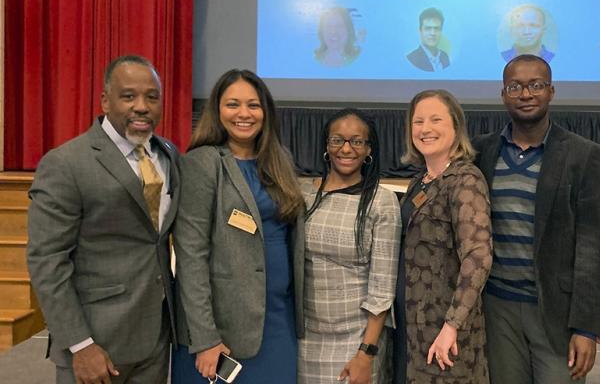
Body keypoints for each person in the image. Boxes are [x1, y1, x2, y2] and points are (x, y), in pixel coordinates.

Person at [27, 55, 179, 384]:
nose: (142, 106)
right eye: (128, 96)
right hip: (96, 345)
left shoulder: (168, 154)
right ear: (105, 100)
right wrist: (80, 345)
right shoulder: (66, 163)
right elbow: (46, 261)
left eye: (152, 97)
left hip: (156, 339)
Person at [473, 55, 600, 383]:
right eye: (515, 86)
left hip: (555, 311)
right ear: (503, 94)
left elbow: (594, 247)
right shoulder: (481, 151)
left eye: (535, 85)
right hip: (497, 308)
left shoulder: (583, 155)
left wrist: (586, 327)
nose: (525, 94)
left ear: (551, 91)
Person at [172, 69, 305, 383]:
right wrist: (204, 338)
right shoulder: (203, 163)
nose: (244, 114)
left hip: (277, 321)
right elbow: (191, 257)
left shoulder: (279, 160)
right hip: (221, 330)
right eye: (233, 104)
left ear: (265, 112)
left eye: (253, 105)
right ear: (217, 110)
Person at [393, 89, 493, 384]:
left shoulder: (465, 180)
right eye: (418, 121)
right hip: (412, 327)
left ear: (456, 126)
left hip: (447, 330)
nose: (425, 129)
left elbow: (478, 256)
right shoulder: (418, 182)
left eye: (436, 120)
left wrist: (452, 325)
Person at [299, 108, 401, 383]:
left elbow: (382, 288)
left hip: (357, 341)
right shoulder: (304, 196)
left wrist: (366, 353)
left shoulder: (382, 202)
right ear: (326, 146)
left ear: (369, 149)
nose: (346, 149)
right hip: (305, 341)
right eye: (337, 140)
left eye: (356, 141)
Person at [406, 7, 451, 72]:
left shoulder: (445, 57)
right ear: (420, 31)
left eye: (436, 28)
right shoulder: (411, 59)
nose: (432, 33)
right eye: (428, 28)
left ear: (441, 31)